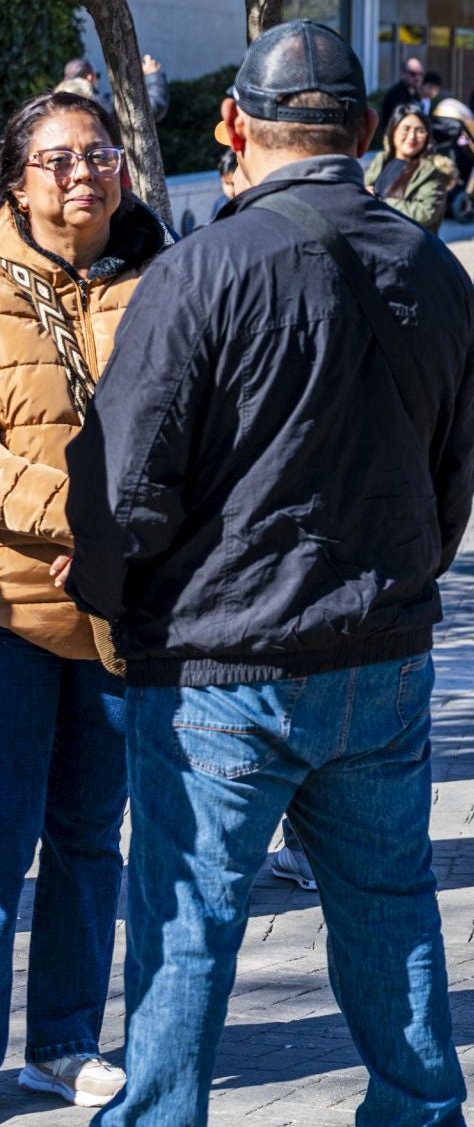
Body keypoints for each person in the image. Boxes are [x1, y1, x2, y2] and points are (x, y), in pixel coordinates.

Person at [64, 18, 474, 1126]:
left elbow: (122, 493)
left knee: (189, 922)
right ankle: (420, 1109)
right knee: (391, 907)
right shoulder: (436, 270)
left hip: (217, 664)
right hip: (380, 652)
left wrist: (113, 618)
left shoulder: (196, 272)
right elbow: (455, 482)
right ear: (361, 128)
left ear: (236, 127)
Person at [0, 91, 168, 1111]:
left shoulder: (165, 276)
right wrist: (79, 523)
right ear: (17, 176)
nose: (81, 174)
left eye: (98, 153)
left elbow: (197, 428)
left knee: (87, 837)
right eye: (57, 158)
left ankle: (60, 1039)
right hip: (12, 603)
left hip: (120, 612)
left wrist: (131, 537)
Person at [364, 107, 454, 233]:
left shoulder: (431, 171)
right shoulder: (381, 160)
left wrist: (381, 202)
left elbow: (425, 213)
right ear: (393, 131)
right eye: (405, 129)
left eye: (420, 131)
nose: (412, 136)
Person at [58, 55, 169, 124]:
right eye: (97, 75)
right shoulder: (96, 102)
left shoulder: (55, 103)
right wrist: (152, 74)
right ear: (90, 77)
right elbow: (150, 109)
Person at [379, 56, 425, 127]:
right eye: (413, 74)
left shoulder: (416, 94)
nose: (417, 78)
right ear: (402, 74)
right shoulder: (396, 94)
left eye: (420, 74)